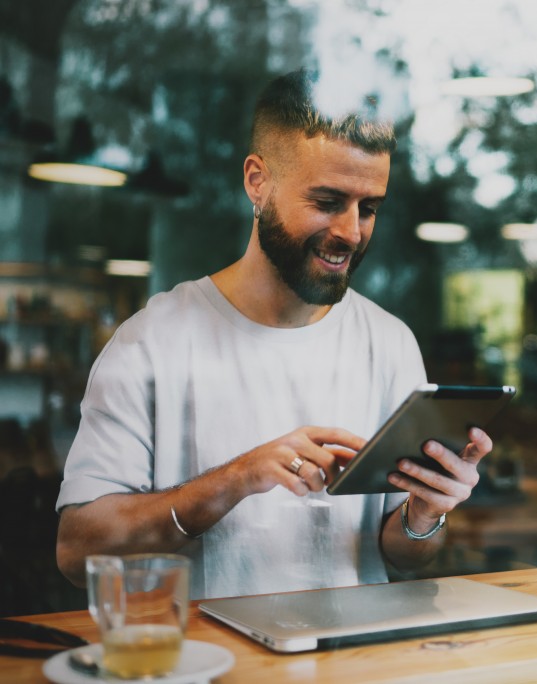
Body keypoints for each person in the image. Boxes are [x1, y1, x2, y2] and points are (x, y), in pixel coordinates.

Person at [54, 69, 492, 600]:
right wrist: (236, 479)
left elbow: (399, 557)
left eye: (369, 208)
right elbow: (78, 552)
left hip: (350, 667)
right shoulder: (151, 342)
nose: (351, 232)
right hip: (205, 670)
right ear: (257, 181)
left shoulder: (391, 342)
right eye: (327, 202)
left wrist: (426, 514)